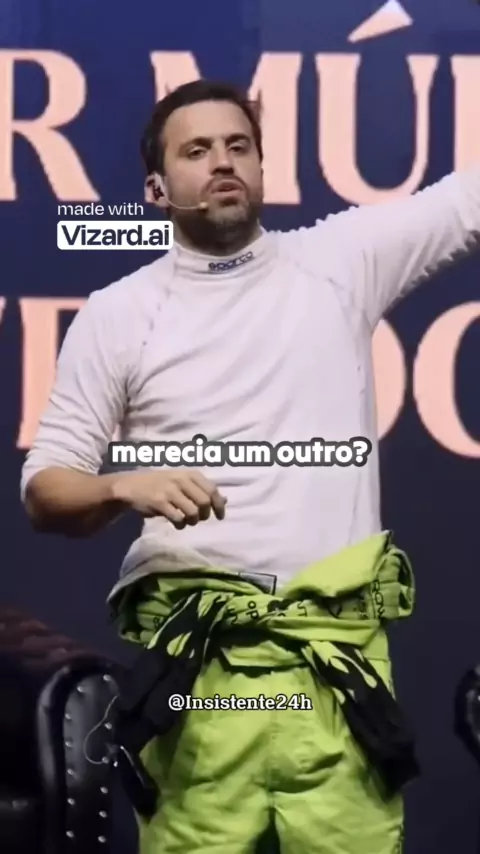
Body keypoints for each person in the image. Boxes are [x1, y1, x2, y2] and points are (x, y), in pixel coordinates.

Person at [20, 78, 480, 854]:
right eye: (197, 151)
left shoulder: (340, 262)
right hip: (201, 685)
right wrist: (123, 484)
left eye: (239, 146)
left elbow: (467, 202)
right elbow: (45, 490)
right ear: (157, 188)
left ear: (263, 168)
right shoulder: (118, 314)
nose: (223, 163)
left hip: (335, 672)